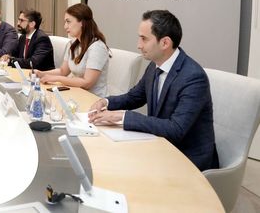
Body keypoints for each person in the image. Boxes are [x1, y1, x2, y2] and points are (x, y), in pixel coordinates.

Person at [88, 10, 219, 171]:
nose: (139, 45)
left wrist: (122, 116)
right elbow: (135, 97)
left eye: (144, 39)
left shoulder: (193, 77)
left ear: (165, 43)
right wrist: (106, 102)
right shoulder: (155, 65)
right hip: (160, 146)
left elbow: (176, 129)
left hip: (188, 159)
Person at [37, 3, 109, 97]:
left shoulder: (97, 47)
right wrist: (42, 73)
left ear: (82, 22)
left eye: (68, 22)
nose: (65, 26)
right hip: (76, 94)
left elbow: (87, 83)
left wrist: (57, 79)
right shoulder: (73, 44)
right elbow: (63, 71)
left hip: (94, 99)